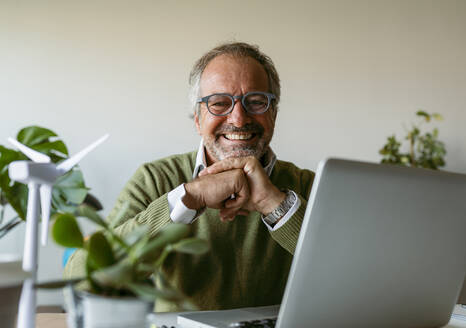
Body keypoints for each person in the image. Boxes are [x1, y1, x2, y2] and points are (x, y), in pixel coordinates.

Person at [64, 42, 315, 312]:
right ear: (197, 118)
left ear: (273, 114)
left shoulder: (310, 186)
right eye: (219, 103)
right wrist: (188, 199)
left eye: (256, 102)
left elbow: (358, 279)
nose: (239, 119)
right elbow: (81, 279)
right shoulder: (155, 179)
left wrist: (276, 205)